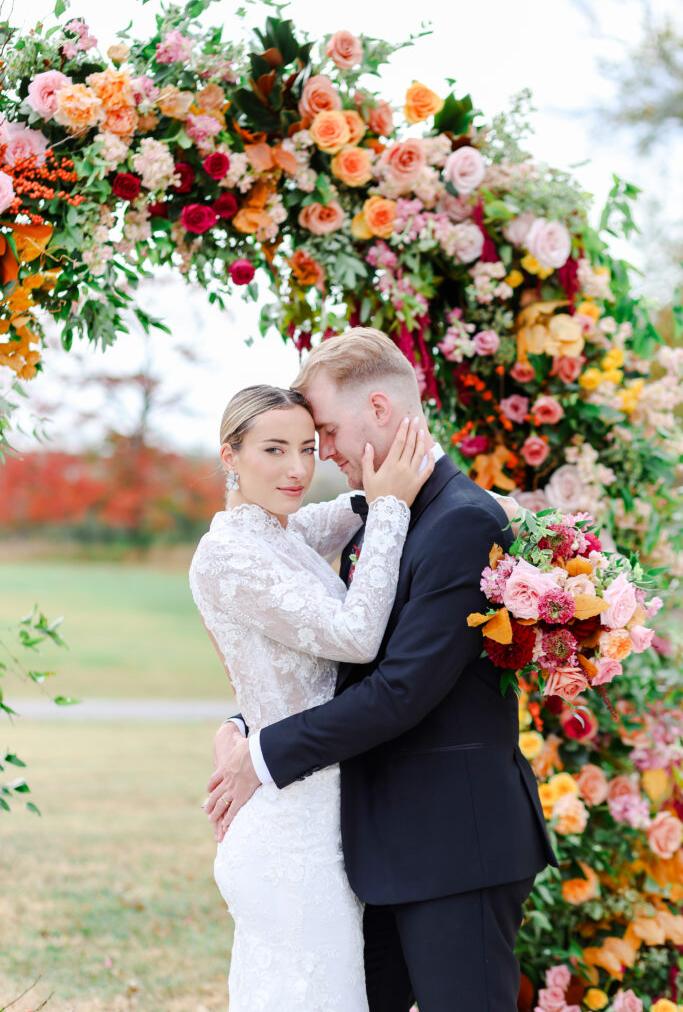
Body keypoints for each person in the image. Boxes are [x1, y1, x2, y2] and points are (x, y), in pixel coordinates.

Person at [205, 329, 557, 1012]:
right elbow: (329, 667)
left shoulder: (459, 521)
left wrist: (264, 755)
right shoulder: (381, 517)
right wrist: (248, 717)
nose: (321, 455)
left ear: (380, 409)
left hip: (454, 844)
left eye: (326, 434)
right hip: (380, 844)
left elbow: (399, 692)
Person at [190, 383, 435, 1011]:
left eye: (306, 447)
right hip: (291, 829)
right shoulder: (228, 554)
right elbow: (355, 637)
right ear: (231, 456)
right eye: (274, 450)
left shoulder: (283, 530)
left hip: (326, 808)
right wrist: (389, 512)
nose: (298, 469)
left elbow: (349, 507)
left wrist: (488, 504)